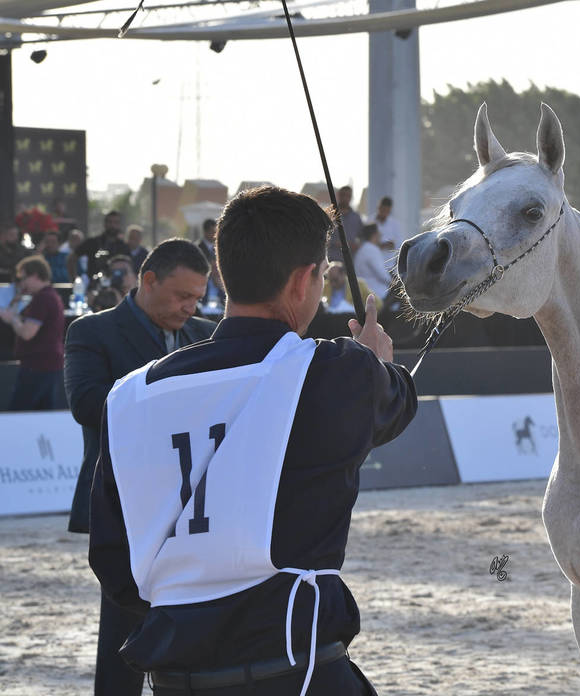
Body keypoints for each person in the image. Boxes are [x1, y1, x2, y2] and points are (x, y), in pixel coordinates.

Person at [88, 185, 415, 695]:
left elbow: (114, 563)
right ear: (305, 279)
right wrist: (374, 360)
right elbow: (397, 404)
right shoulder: (333, 370)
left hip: (178, 679)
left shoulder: (127, 396)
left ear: (220, 272)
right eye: (325, 273)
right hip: (298, 671)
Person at [64, 239, 216, 696]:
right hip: (125, 508)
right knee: (124, 633)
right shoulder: (92, 331)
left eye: (197, 297)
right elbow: (88, 404)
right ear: (147, 281)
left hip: (198, 508)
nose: (190, 307)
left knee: (201, 627)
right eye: (181, 296)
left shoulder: (208, 332)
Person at [0, 255, 65, 410]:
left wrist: (12, 319)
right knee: (44, 413)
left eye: (23, 278)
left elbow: (27, 333)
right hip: (48, 364)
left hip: (37, 365)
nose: (21, 284)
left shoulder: (42, 299)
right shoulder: (51, 296)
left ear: (35, 275)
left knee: (18, 413)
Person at [76, 211, 131, 277]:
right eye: (110, 222)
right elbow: (72, 258)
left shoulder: (124, 246)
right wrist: (75, 278)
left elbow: (129, 267)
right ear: (105, 223)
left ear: (119, 225)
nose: (112, 225)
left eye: (116, 222)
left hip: (117, 284)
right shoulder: (93, 242)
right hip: (94, 283)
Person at [352, 223, 392, 301]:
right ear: (374, 235)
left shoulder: (363, 249)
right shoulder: (371, 249)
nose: (381, 234)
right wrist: (396, 283)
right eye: (378, 232)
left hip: (365, 293)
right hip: (377, 294)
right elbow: (382, 275)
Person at [336, 185, 363, 253]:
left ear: (351, 197)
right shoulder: (330, 215)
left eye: (348, 196)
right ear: (338, 196)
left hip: (351, 258)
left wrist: (358, 244)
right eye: (343, 195)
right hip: (333, 258)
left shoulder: (356, 217)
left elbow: (362, 235)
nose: (345, 198)